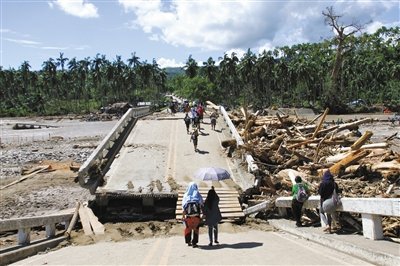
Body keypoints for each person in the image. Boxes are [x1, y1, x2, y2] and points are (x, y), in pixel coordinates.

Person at [182, 182, 204, 248]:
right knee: (196, 229)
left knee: (188, 229)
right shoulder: (198, 194)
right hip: (196, 216)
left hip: (188, 217)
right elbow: (201, 204)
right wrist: (202, 215)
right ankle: (194, 243)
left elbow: (183, 207)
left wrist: (183, 216)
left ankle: (188, 242)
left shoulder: (186, 195)